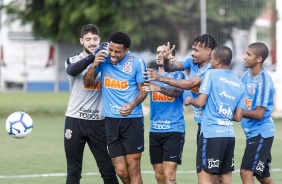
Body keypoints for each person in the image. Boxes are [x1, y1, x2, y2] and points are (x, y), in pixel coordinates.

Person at [144, 34, 219, 183]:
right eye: (192, 49)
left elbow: (189, 84)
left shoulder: (211, 67)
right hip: (202, 124)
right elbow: (171, 66)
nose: (193, 53)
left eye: (197, 50)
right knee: (207, 171)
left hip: (213, 125)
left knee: (212, 173)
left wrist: (159, 81)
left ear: (209, 51)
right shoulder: (192, 62)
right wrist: (166, 59)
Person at [83, 31, 148, 184]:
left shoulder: (137, 62)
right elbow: (87, 82)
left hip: (132, 121)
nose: (112, 54)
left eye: (117, 51)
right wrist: (94, 64)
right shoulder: (103, 59)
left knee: (133, 169)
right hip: (111, 122)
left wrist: (132, 105)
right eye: (111, 49)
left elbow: (144, 89)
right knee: (121, 171)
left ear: (126, 50)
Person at [64, 24, 119, 184]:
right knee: (73, 172)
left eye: (95, 39)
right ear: (81, 41)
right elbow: (71, 71)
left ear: (100, 40)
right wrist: (93, 57)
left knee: (108, 171)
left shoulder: (107, 63)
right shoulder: (73, 60)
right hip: (75, 121)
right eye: (88, 39)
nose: (92, 42)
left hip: (99, 123)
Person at [185, 45, 245, 183]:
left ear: (217, 60)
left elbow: (200, 102)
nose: (210, 62)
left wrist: (190, 100)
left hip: (211, 134)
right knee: (225, 177)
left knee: (204, 176)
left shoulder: (210, 74)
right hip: (229, 136)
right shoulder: (240, 83)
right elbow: (238, 117)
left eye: (211, 59)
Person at [142, 44, 186, 184]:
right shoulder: (150, 75)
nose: (160, 55)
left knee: (169, 176)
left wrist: (158, 87)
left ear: (171, 56)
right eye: (157, 52)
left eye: (163, 52)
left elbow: (176, 92)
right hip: (155, 131)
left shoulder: (178, 74)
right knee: (159, 176)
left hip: (174, 130)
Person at [240, 42, 275, 184]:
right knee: (262, 175)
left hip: (261, 133)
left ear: (259, 59)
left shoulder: (264, 81)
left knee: (246, 172)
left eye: (249, 54)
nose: (244, 57)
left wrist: (236, 113)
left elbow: (260, 113)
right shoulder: (245, 76)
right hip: (252, 133)